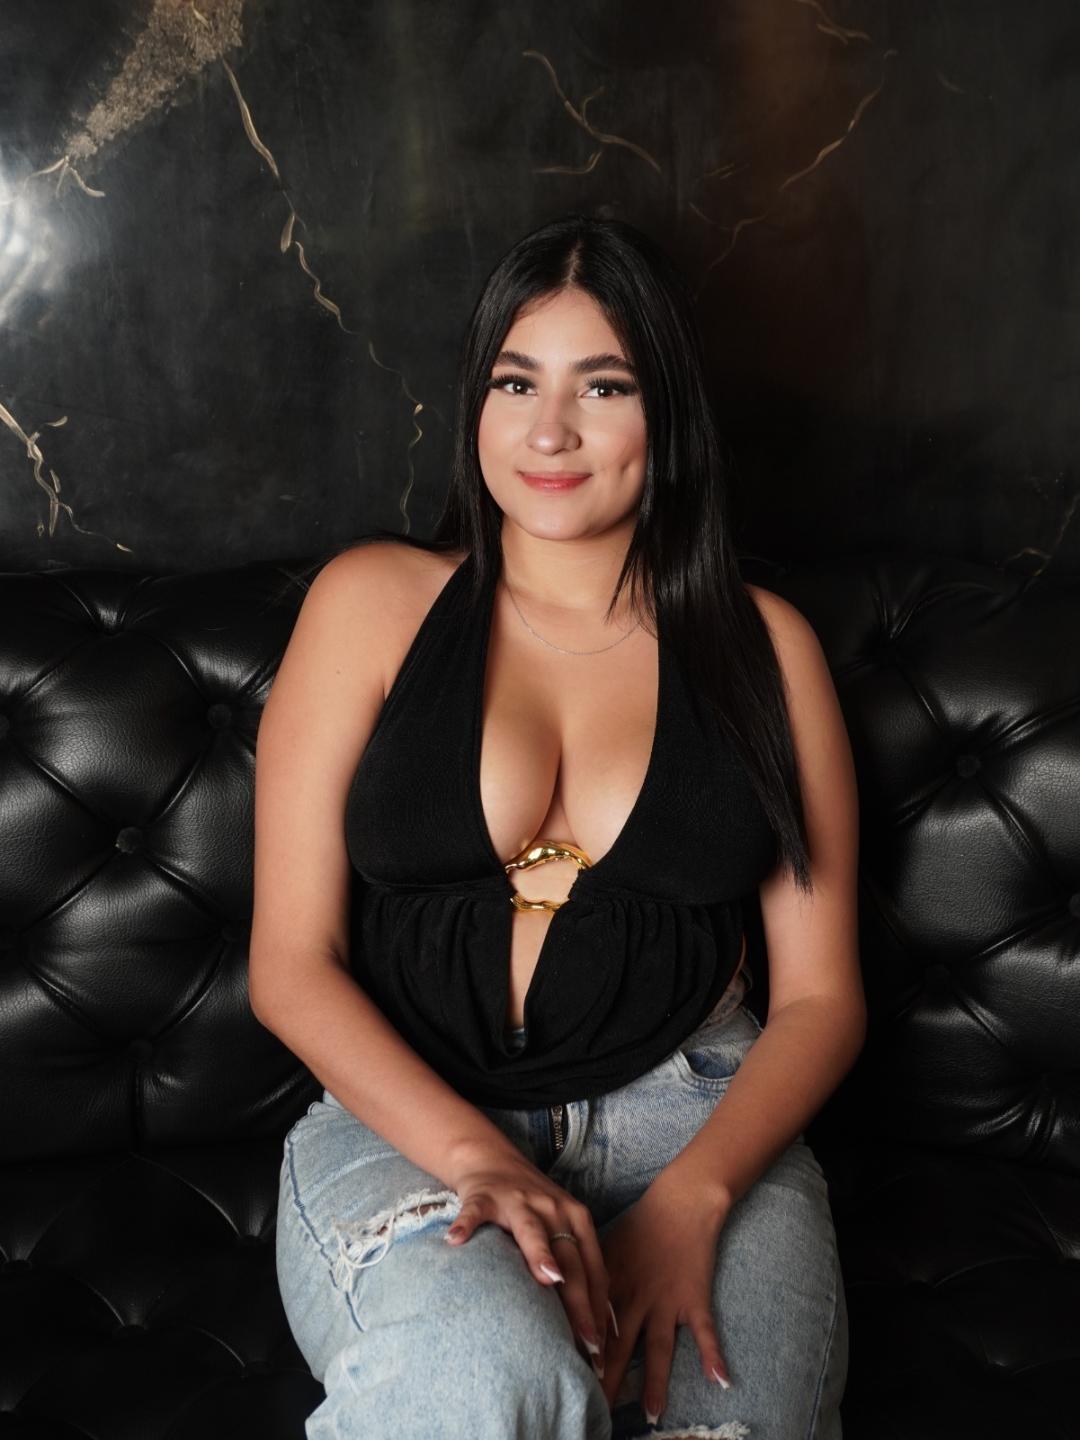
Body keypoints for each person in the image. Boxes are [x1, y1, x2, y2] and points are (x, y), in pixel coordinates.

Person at [251, 214, 865, 1440]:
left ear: (668, 416)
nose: (550, 432)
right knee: (480, 1384)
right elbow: (290, 964)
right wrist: (477, 1158)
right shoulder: (371, 603)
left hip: (696, 1115)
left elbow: (820, 998)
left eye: (605, 386)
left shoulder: (766, 648)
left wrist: (695, 1198)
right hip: (415, 1119)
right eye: (516, 382)